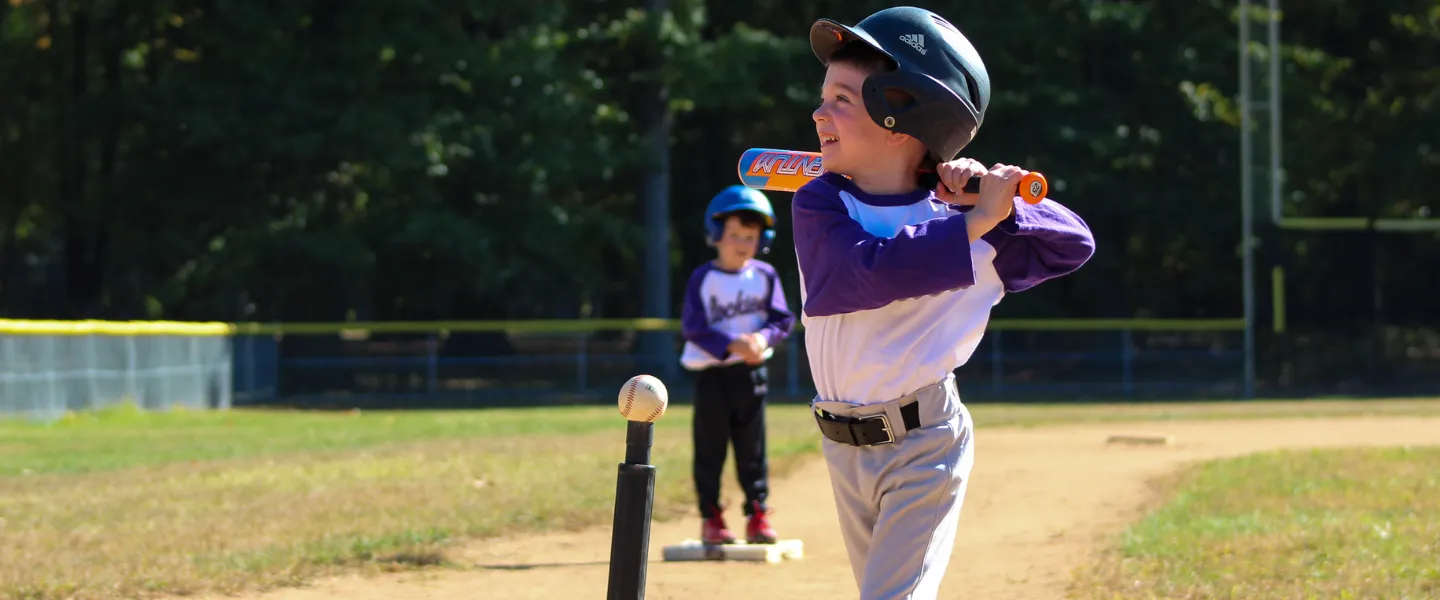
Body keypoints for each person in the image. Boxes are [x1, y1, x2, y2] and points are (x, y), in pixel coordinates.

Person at [793, 6, 1097, 598]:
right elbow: (862, 275)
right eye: (824, 97)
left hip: (923, 446)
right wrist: (973, 222)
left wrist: (994, 203)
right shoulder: (821, 205)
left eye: (842, 101)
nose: (818, 113)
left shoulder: (974, 222)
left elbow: (1073, 244)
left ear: (902, 111)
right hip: (843, 449)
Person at [679, 185, 796, 545]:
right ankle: (711, 515)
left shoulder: (764, 275)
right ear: (716, 236)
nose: (742, 243)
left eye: (750, 236)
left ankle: (756, 513)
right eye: (733, 235)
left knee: (752, 448)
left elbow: (782, 319)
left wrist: (760, 340)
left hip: (750, 374)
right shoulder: (704, 277)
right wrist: (731, 343)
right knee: (710, 448)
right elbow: (693, 326)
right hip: (713, 376)